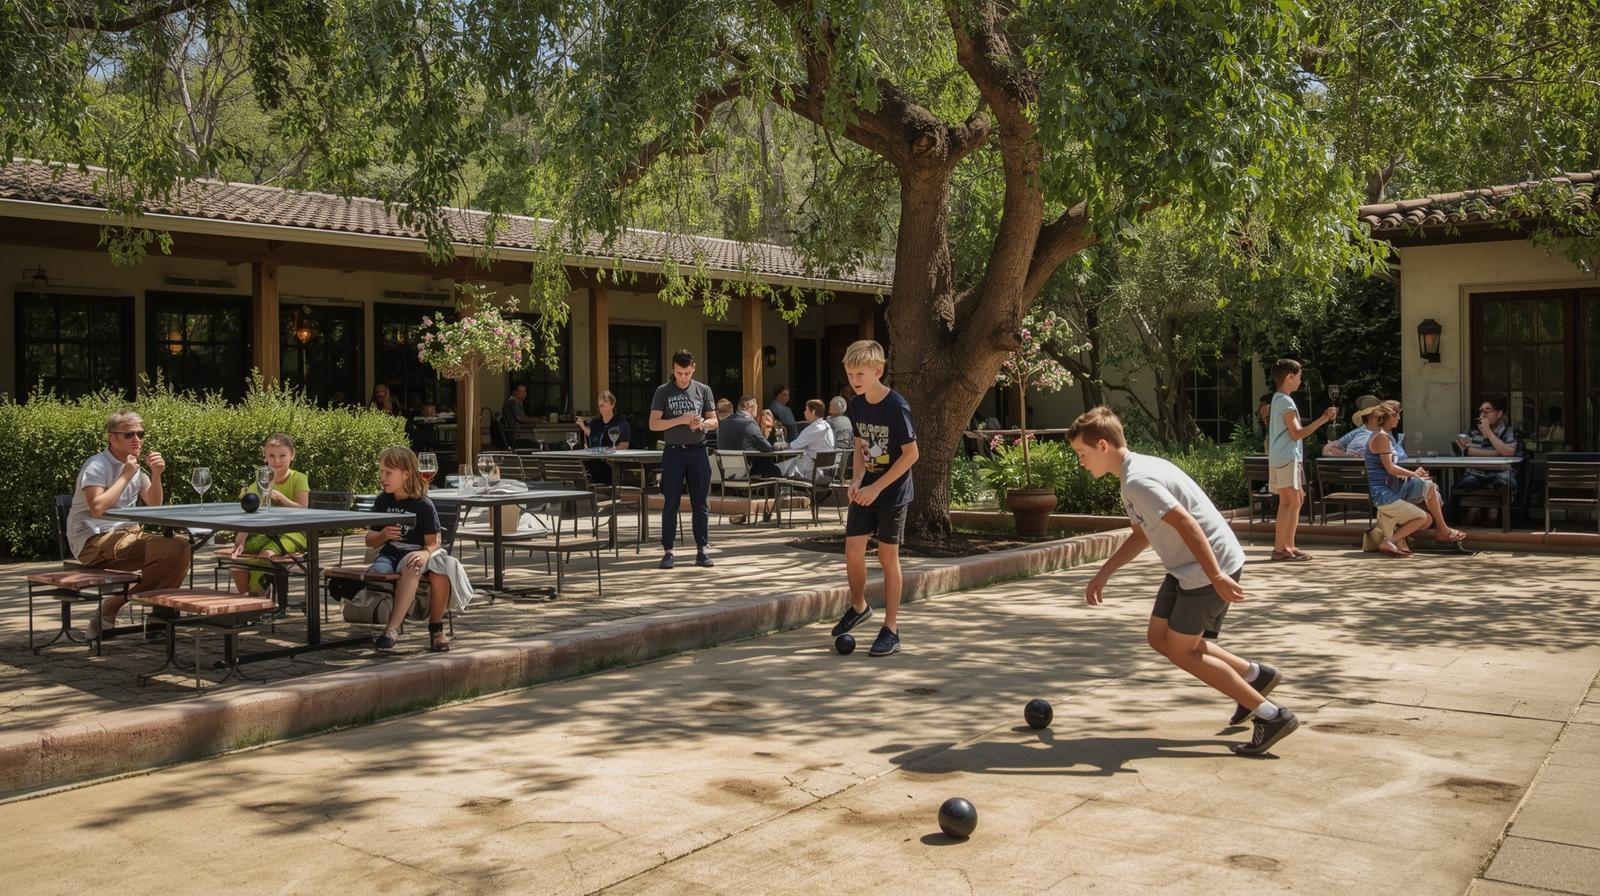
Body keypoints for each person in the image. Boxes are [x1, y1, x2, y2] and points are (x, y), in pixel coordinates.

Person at [1068, 405, 1298, 756]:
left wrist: (1216, 575)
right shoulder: (1133, 473)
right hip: (1186, 568)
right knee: (1159, 637)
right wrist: (1105, 572)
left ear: (1103, 446)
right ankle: (1256, 676)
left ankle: (1271, 715)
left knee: (1182, 649)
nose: (1081, 462)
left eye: (1082, 454)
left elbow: (1187, 523)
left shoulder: (1137, 480)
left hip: (1206, 567)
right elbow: (1142, 534)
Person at [66, 410, 193, 640]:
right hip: (93, 541)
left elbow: (154, 504)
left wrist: (156, 474)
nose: (137, 440)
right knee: (174, 550)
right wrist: (125, 476)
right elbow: (97, 508)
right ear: (111, 437)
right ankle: (117, 608)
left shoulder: (134, 467)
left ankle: (154, 617)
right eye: (129, 435)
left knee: (180, 550)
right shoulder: (97, 465)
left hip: (127, 537)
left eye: (141, 434)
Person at [831, 340, 919, 657]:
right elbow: (859, 445)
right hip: (866, 488)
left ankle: (891, 630)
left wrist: (876, 487)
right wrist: (856, 480)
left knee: (886, 556)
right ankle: (859, 605)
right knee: (853, 551)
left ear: (877, 371)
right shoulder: (856, 404)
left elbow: (911, 455)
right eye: (850, 373)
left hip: (892, 492)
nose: (854, 380)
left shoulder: (896, 406)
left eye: (860, 373)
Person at [366, 446, 453, 652]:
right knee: (375, 575)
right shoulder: (382, 500)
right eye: (381, 472)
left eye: (388, 473)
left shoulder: (423, 505)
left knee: (415, 565)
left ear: (406, 474)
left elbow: (433, 542)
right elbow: (370, 539)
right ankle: (388, 616)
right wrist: (383, 535)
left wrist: (424, 553)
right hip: (388, 555)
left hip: (413, 554)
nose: (383, 477)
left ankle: (392, 631)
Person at [1364, 403, 1467, 554]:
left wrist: (1414, 473)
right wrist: (1413, 474)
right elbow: (1390, 468)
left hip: (1395, 486)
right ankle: (1390, 541)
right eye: (1397, 415)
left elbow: (1393, 468)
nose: (1399, 418)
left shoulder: (1386, 436)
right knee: (1424, 519)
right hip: (1384, 493)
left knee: (1429, 486)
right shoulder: (1381, 437)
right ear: (1389, 417)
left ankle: (1442, 530)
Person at [649, 349, 719, 569]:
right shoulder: (663, 391)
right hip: (673, 453)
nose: (683, 378)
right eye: (679, 373)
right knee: (671, 503)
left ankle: (702, 550)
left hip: (698, 450)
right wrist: (681, 419)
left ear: (693, 368)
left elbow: (714, 420)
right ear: (673, 369)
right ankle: (668, 551)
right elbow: (654, 424)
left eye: (687, 373)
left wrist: (703, 424)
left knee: (700, 503)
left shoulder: (703, 390)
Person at [1267, 359, 1338, 561]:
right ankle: (1280, 549)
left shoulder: (1278, 398)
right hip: (1288, 456)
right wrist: (1324, 418)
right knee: (1290, 502)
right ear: (1289, 377)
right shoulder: (1285, 401)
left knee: (1296, 500)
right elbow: (1297, 433)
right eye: (1299, 376)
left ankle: (1288, 546)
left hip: (1285, 456)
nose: (1300, 380)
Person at [230, 433, 310, 595]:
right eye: (271, 456)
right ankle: (245, 600)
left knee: (265, 556)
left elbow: (303, 509)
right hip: (266, 533)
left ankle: (259, 599)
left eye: (282, 455)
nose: (277, 460)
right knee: (237, 557)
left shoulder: (298, 478)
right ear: (265, 456)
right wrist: (242, 535)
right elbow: (250, 509)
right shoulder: (261, 480)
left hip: (293, 534)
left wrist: (281, 498)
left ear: (292, 455)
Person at [1453, 395, 1521, 527]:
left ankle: (1494, 514)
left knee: (1504, 483)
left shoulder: (1509, 431)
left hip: (1501, 472)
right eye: (1480, 411)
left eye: (1487, 411)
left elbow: (1509, 452)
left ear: (1499, 413)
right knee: (1460, 485)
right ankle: (1459, 521)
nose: (1482, 414)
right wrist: (1497, 452)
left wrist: (1488, 432)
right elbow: (1467, 451)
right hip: (1477, 472)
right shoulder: (1473, 433)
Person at [576, 391, 631, 484]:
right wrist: (582, 425)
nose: (602, 408)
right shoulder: (595, 423)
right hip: (595, 462)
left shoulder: (622, 423)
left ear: (612, 405)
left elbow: (625, 445)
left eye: (604, 405)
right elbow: (591, 434)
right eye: (600, 405)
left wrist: (609, 451)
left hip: (613, 464)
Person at [782, 399, 836, 480]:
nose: (804, 412)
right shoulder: (827, 426)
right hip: (827, 472)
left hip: (812, 472)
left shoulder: (815, 428)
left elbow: (793, 446)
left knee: (778, 469)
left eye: (806, 410)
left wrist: (780, 445)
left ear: (813, 412)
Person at [502, 382, 535, 447]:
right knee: (538, 443)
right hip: (516, 435)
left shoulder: (517, 403)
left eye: (525, 392)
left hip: (517, 433)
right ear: (515, 392)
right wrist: (539, 419)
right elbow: (521, 418)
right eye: (522, 392)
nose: (524, 394)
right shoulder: (513, 403)